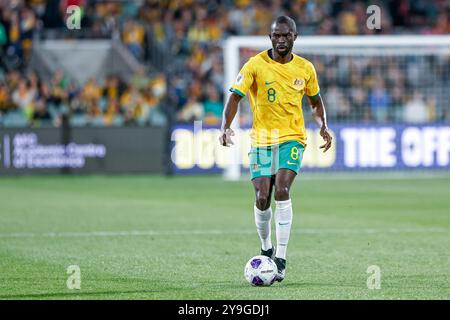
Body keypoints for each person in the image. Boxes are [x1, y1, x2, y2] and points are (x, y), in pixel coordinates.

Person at [219, 16, 332, 282]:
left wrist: (323, 126)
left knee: (281, 188)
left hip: (292, 137)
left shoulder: (305, 69)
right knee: (262, 195)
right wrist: (225, 127)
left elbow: (315, 102)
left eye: (286, 35)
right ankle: (266, 247)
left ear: (295, 37)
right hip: (261, 139)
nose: (281, 40)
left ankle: (280, 258)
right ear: (270, 37)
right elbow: (234, 96)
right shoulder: (255, 65)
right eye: (276, 36)